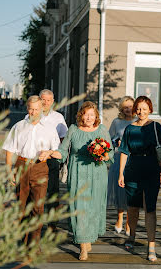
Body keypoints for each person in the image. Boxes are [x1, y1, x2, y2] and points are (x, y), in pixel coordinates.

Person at [39, 101, 113, 261]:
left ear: (96, 117)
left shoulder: (102, 130)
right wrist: (51, 152)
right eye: (86, 114)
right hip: (78, 172)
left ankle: (88, 237)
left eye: (92, 115)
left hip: (97, 174)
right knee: (79, 207)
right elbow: (63, 151)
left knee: (92, 207)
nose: (88, 117)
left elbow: (110, 154)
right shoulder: (73, 129)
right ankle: (82, 245)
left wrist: (103, 154)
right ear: (81, 115)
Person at [2, 95, 60, 244]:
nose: (34, 112)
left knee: (38, 207)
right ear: (27, 108)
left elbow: (57, 149)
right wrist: (9, 171)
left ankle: (34, 243)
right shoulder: (18, 126)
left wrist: (49, 153)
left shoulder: (49, 129)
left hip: (40, 168)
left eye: (37, 109)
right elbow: (9, 150)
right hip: (21, 166)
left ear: (42, 109)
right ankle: (23, 238)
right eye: (31, 109)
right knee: (21, 207)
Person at [118, 96, 161, 262]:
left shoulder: (156, 127)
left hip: (152, 169)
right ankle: (131, 236)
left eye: (144, 109)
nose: (141, 112)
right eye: (138, 109)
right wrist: (121, 174)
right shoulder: (130, 128)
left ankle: (151, 246)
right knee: (132, 207)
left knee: (150, 208)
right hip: (133, 169)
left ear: (150, 109)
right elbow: (124, 151)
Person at [36, 89, 68, 231]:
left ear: (53, 102)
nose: (46, 103)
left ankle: (52, 223)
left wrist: (60, 156)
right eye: (43, 99)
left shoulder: (58, 118)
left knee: (52, 190)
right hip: (36, 158)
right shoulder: (32, 114)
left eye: (49, 100)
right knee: (37, 189)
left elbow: (63, 138)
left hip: (52, 158)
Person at [107, 96, 134, 235]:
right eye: (125, 107)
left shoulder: (138, 121)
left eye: (130, 106)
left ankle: (129, 222)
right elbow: (109, 138)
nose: (128, 109)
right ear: (122, 108)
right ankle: (119, 218)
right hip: (119, 157)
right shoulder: (117, 122)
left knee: (131, 191)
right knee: (120, 190)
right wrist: (115, 141)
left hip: (134, 159)